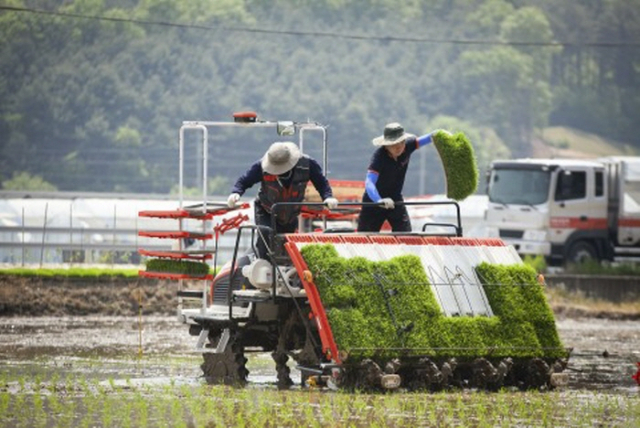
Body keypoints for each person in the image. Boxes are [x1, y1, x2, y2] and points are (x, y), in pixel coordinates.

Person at [227, 141, 338, 258]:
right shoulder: (260, 167)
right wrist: (236, 193)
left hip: (290, 214)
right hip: (266, 210)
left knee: (285, 245)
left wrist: (328, 197)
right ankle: (262, 263)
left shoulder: (307, 165)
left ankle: (282, 271)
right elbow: (244, 181)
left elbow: (321, 182)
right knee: (265, 233)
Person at [357, 122, 441, 232]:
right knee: (365, 237)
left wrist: (439, 134)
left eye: (401, 142)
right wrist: (379, 200)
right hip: (374, 202)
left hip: (395, 198)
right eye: (394, 144)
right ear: (386, 145)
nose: (399, 147)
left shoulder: (408, 146)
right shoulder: (379, 157)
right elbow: (369, 182)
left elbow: (427, 139)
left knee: (405, 234)